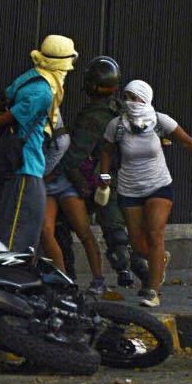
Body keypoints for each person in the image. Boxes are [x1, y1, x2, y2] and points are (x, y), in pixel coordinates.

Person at [99, 79, 192, 307]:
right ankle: (159, 258)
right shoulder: (117, 126)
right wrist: (104, 175)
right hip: (130, 189)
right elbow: (106, 151)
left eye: (135, 98)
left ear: (146, 99)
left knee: (154, 234)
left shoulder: (160, 121)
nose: (130, 102)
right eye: (127, 97)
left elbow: (189, 144)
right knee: (137, 243)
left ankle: (152, 291)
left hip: (159, 185)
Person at [0, 35, 77, 252]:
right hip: (27, 166)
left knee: (12, 224)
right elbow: (4, 120)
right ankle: (7, 275)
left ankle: (6, 274)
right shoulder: (43, 92)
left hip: (19, 166)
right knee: (21, 229)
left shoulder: (30, 77)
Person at [57, 56, 148, 293]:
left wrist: (78, 184)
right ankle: (143, 279)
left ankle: (68, 279)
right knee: (119, 232)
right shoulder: (122, 109)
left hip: (98, 181)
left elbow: (74, 157)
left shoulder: (93, 117)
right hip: (126, 177)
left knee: (62, 224)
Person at [39, 108, 107, 291]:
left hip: (64, 182)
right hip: (45, 184)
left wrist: (50, 175)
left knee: (83, 231)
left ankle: (99, 280)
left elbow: (62, 147)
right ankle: (62, 279)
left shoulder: (52, 118)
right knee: (46, 231)